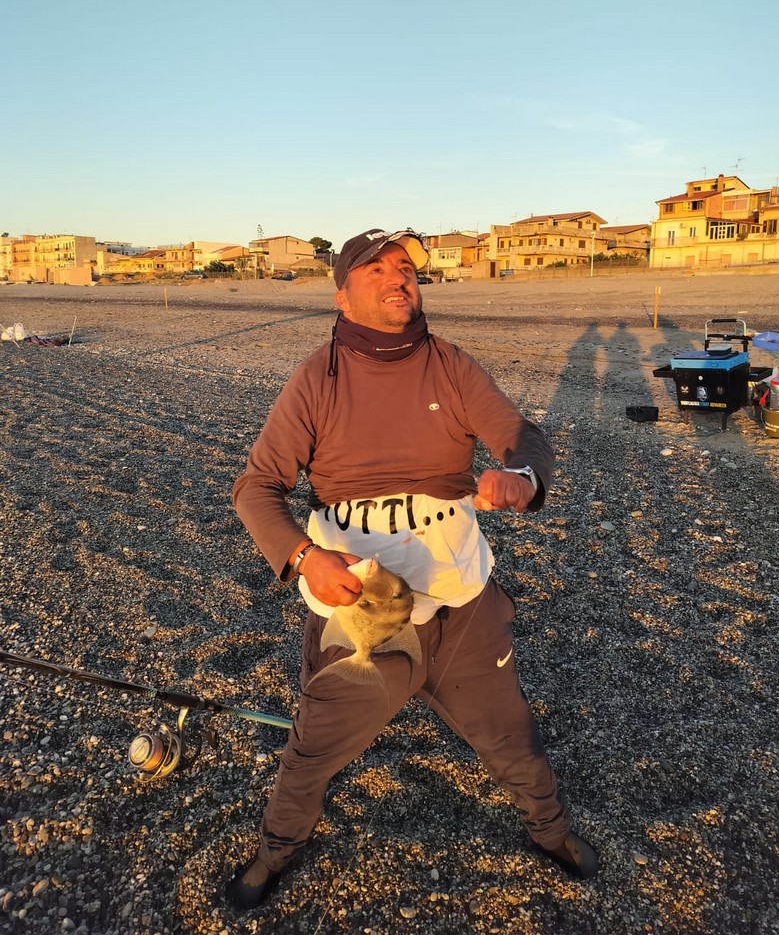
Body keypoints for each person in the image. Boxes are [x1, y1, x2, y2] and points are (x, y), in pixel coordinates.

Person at [226, 228, 598, 910]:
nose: (400, 278)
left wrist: (521, 477)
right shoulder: (316, 378)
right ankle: (276, 852)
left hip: (460, 602)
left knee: (509, 737)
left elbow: (524, 439)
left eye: (406, 268)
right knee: (312, 750)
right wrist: (305, 559)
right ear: (342, 295)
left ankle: (551, 831)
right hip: (360, 606)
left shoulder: (451, 365)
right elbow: (257, 488)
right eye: (377, 269)